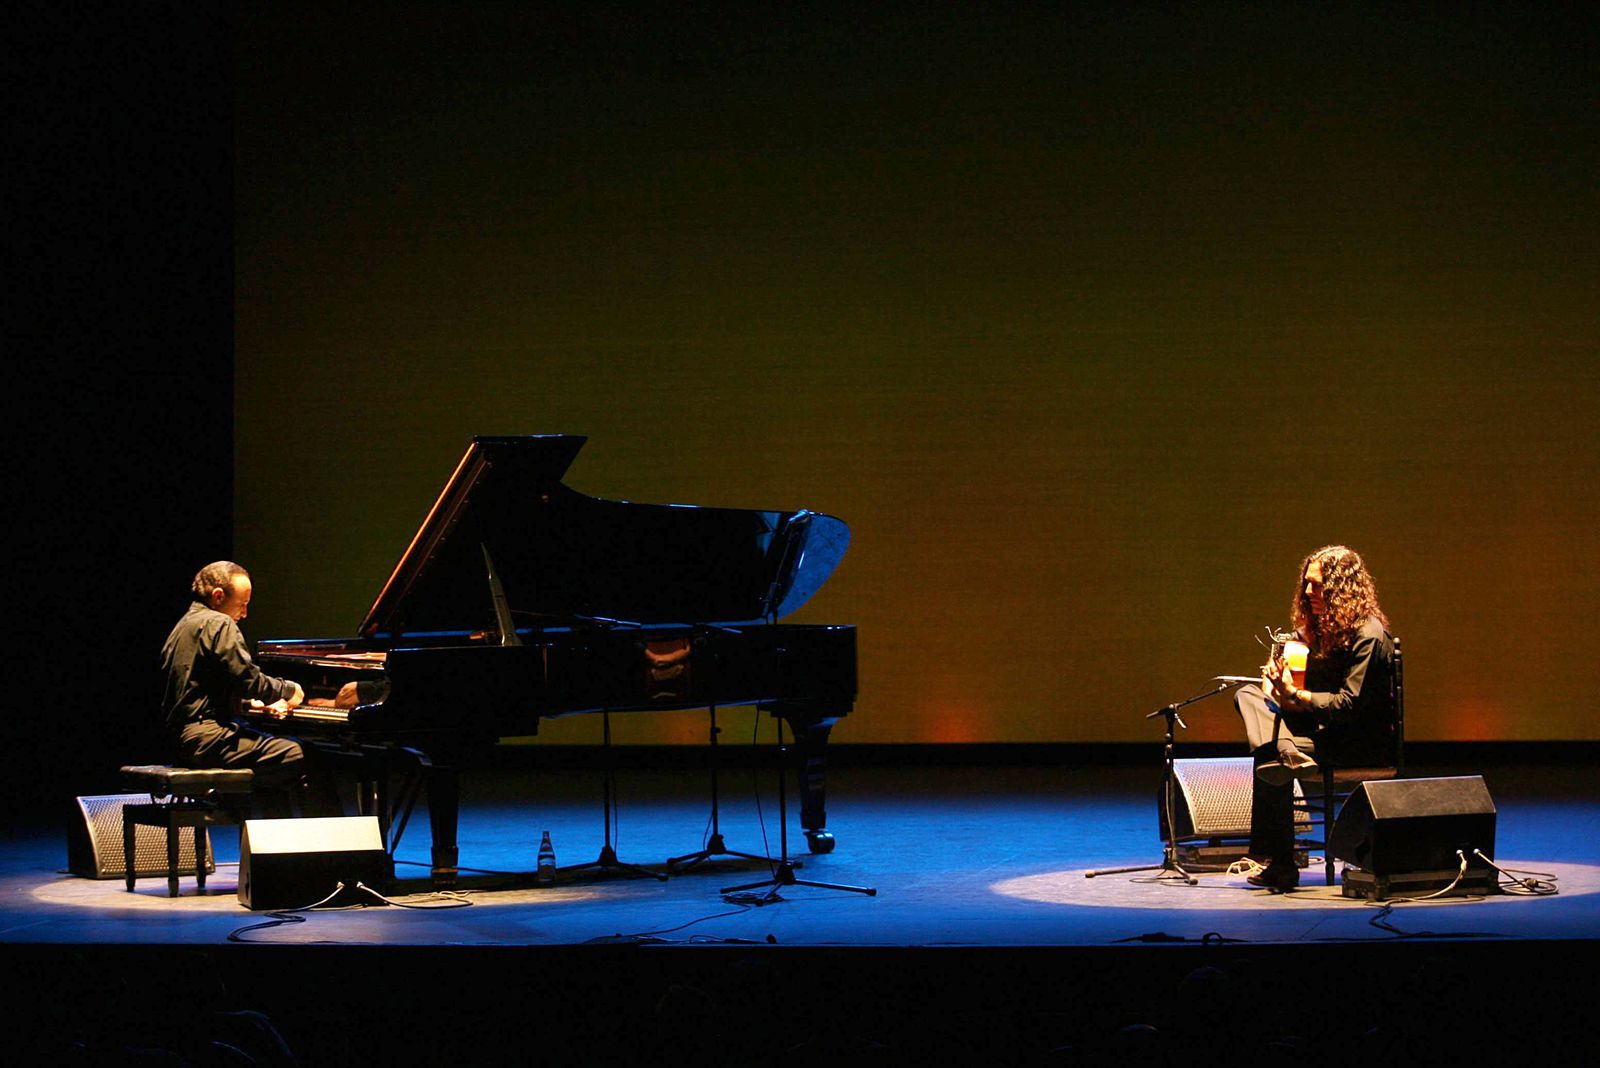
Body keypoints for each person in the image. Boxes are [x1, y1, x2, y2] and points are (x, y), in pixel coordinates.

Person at [1233, 545, 1396, 891]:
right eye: (1307, 584)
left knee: (1267, 754)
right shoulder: (1318, 629)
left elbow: (1349, 706)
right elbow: (1284, 681)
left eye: (1318, 585)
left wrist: (1298, 697)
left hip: (1353, 740)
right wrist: (1274, 683)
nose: (1308, 592)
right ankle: (1288, 751)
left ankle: (1280, 863)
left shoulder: (1369, 635)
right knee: (1247, 694)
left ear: (1343, 588)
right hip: (1316, 732)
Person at [159, 561, 341, 817]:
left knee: (273, 770)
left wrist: (244, 704)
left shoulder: (182, 627)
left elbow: (195, 690)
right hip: (208, 740)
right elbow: (248, 680)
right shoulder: (218, 623)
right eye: (242, 604)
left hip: (182, 740)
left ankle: (277, 853)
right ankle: (333, 854)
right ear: (218, 597)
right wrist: (288, 690)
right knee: (306, 757)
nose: (244, 613)